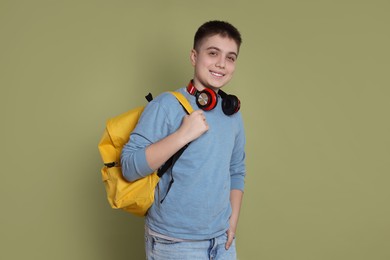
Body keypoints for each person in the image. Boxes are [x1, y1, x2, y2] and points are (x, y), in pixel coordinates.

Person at [121, 20, 246, 260]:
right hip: (174, 243)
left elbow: (236, 169)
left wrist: (232, 224)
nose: (221, 63)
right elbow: (129, 167)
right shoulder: (165, 106)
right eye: (213, 53)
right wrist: (182, 135)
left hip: (222, 241)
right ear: (194, 56)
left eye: (230, 57)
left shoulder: (232, 113)